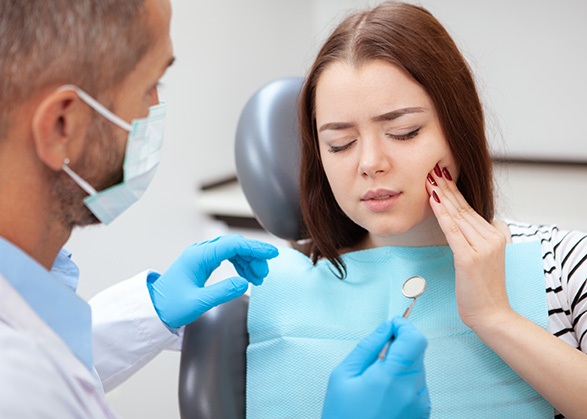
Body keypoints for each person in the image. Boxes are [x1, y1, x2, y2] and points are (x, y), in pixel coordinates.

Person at [0, 0, 428, 417]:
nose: (154, 109)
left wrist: (149, 311)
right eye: (151, 84)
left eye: (404, 132)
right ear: (63, 125)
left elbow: (49, 358)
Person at [246, 2, 587, 418]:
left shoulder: (565, 263)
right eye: (340, 144)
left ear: (458, 129)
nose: (370, 162)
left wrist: (496, 317)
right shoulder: (268, 292)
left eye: (403, 132)